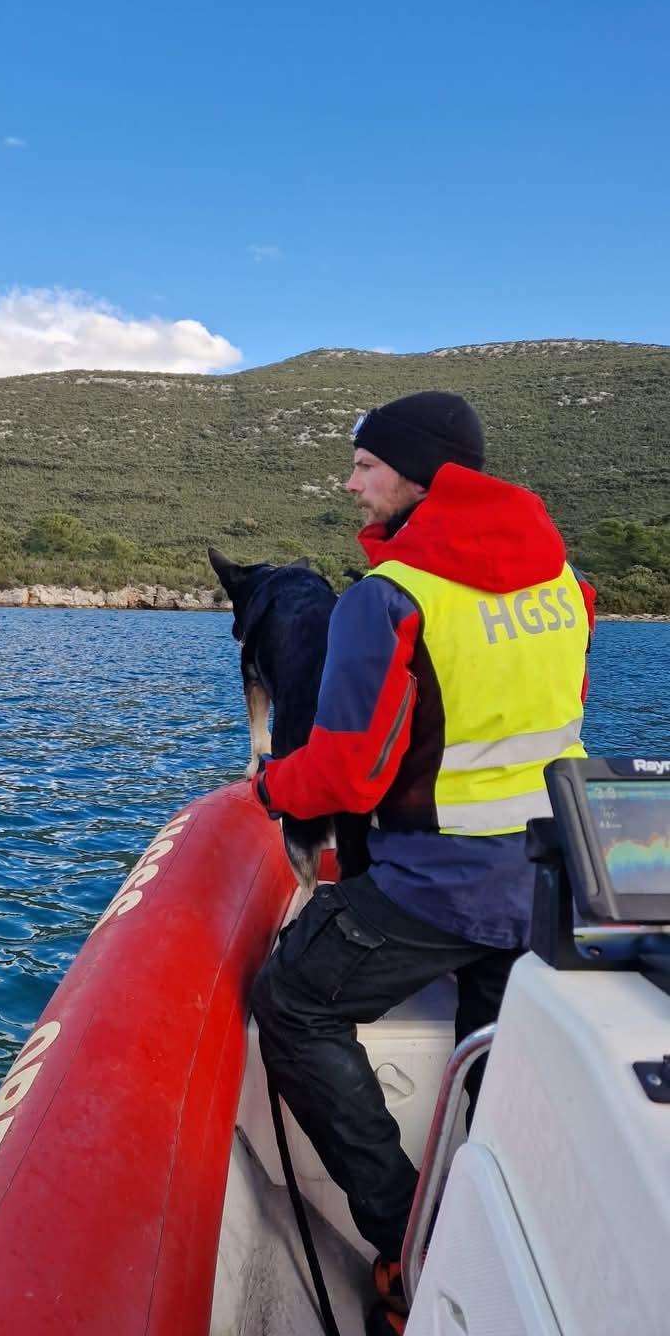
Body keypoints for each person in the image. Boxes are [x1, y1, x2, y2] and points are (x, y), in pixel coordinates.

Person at [250, 391, 595, 1336]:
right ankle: (502, 1229)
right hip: (549, 880)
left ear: (418, 476)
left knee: (293, 1003)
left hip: (439, 885)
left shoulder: (391, 597)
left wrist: (271, 789)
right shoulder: (565, 585)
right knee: (497, 1066)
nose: (351, 482)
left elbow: (347, 775)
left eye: (365, 465)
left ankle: (413, 1234)